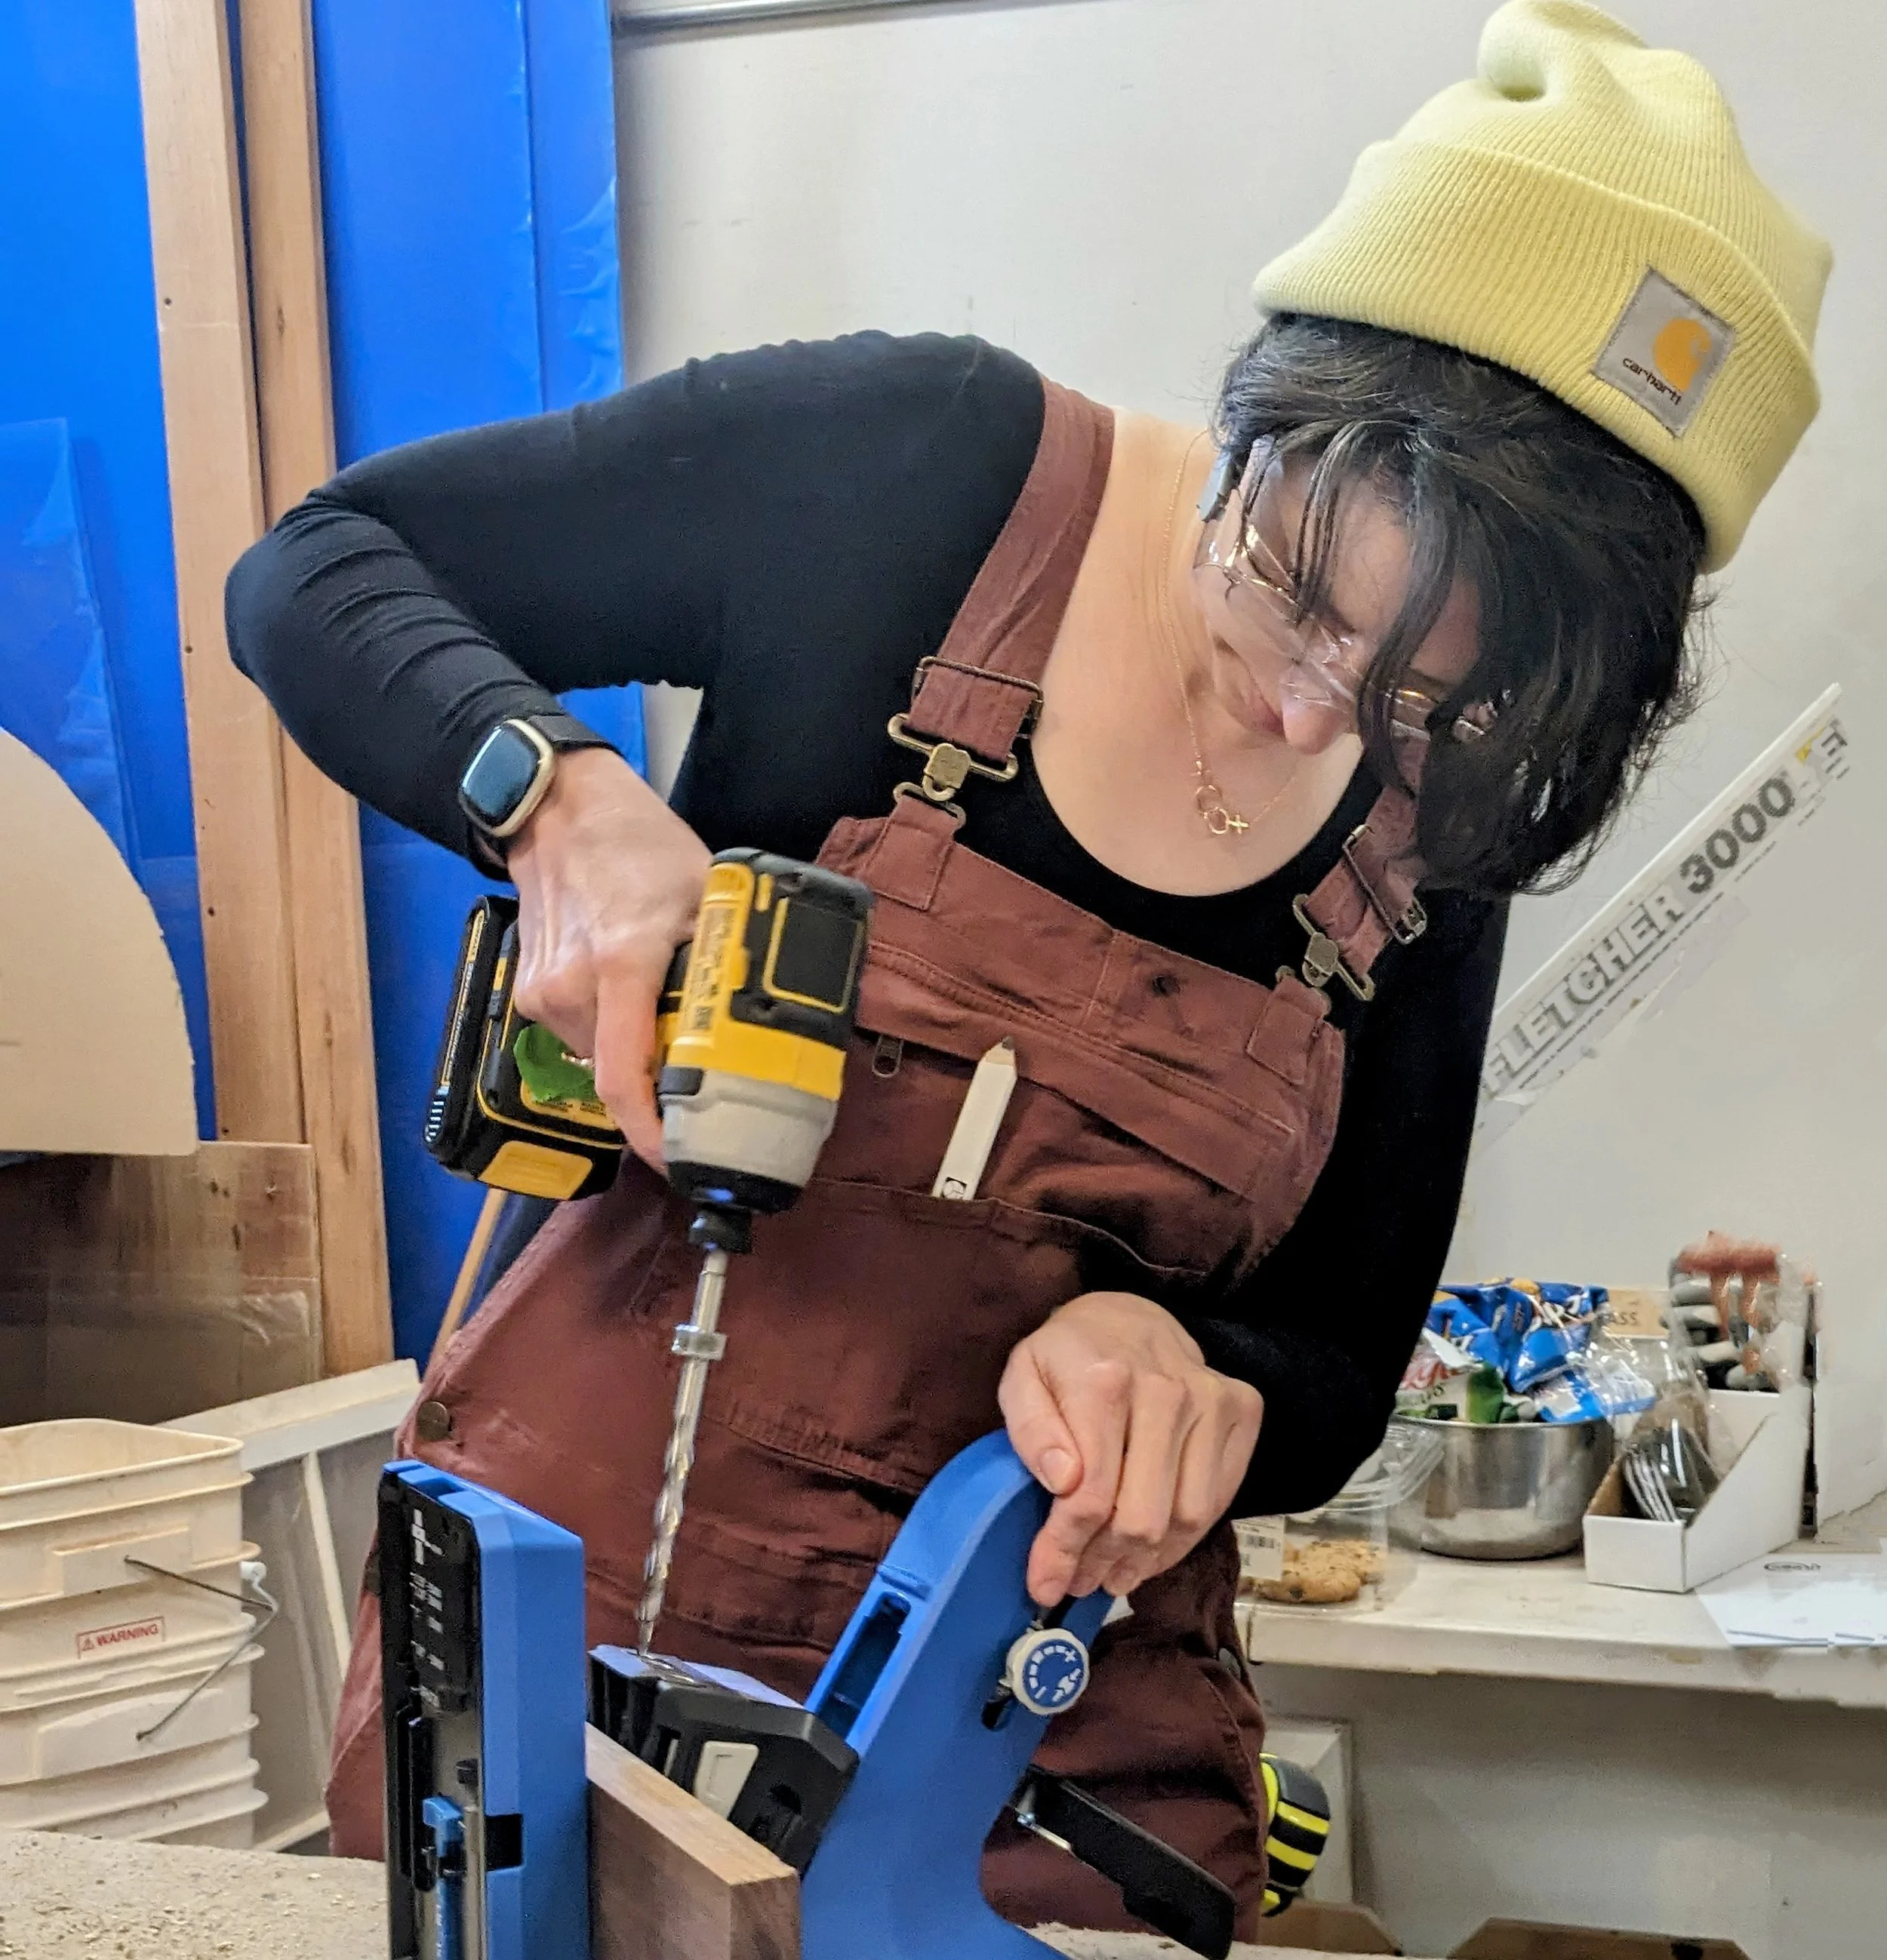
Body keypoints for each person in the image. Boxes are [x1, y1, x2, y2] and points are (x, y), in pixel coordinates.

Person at [226, 0, 1827, 1929]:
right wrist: (549, 794)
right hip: (569, 1682)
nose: (1309, 704)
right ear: (1275, 394)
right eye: (1292, 587)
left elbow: (1332, 1359)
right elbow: (320, 566)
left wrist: (1180, 1355)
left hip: (1031, 1755)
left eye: (1419, 695)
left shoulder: (1431, 822)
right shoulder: (917, 465)